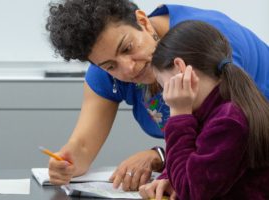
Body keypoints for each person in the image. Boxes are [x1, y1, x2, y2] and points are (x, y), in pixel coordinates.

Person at [45, 0, 269, 191]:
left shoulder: (202, 43)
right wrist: (66, 163)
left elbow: (221, 144)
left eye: (127, 48)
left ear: (143, 21)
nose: (128, 69)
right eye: (110, 66)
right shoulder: (107, 72)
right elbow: (83, 146)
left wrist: (160, 157)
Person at [139, 20, 269, 200]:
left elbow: (192, 192)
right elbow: (193, 163)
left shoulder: (228, 121)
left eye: (162, 86)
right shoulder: (219, 108)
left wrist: (179, 116)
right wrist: (168, 178)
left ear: (180, 69)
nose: (163, 96)